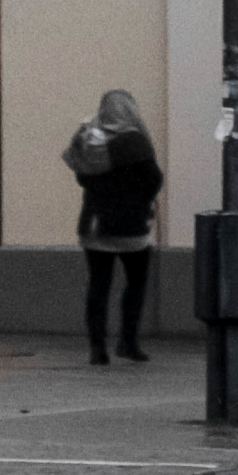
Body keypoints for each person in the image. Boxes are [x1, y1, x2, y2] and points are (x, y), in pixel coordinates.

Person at [63, 90, 164, 365]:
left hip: (95, 225)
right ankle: (128, 341)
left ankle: (97, 348)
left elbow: (82, 178)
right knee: (135, 284)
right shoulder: (134, 139)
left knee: (98, 286)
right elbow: (154, 177)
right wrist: (140, 200)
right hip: (131, 226)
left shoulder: (88, 139)